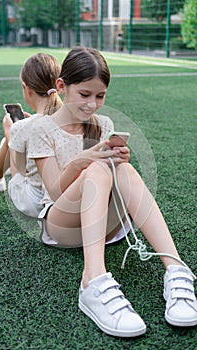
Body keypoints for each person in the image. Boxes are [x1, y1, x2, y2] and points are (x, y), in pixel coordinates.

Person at [27, 46, 197, 337]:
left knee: (124, 170)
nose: (93, 104)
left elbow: (108, 174)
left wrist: (116, 160)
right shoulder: (42, 129)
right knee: (96, 168)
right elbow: (55, 192)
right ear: (61, 87)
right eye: (84, 94)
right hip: (60, 223)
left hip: (100, 223)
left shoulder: (103, 124)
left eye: (100, 96)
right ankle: (92, 280)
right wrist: (87, 160)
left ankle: (175, 269)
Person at [0, 52, 62, 217]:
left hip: (35, 201)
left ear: (27, 88)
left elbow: (19, 166)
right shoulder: (69, 116)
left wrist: (11, 134)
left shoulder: (24, 127)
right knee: (18, 136)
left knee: (10, 139)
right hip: (65, 194)